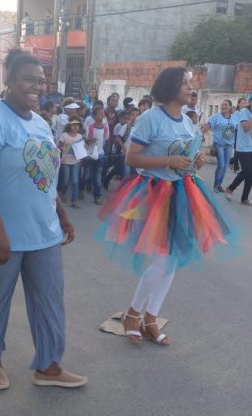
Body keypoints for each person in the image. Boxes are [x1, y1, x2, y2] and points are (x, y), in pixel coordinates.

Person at [0, 48, 86, 390]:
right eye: (29, 80)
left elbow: (46, 174)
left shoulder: (41, 123)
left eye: (41, 81)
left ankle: (49, 366)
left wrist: (62, 214)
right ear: (10, 80)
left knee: (50, 298)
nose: (37, 86)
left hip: (43, 230)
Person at [97, 67, 238, 346]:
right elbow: (131, 158)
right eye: (184, 83)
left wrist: (196, 162)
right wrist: (168, 162)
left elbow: (186, 162)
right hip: (153, 194)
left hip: (182, 192)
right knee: (163, 261)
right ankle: (133, 314)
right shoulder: (150, 119)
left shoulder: (187, 122)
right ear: (170, 87)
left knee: (171, 261)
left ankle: (150, 317)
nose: (190, 88)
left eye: (190, 83)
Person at [208, 99, 237, 192]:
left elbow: (237, 130)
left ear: (230, 107)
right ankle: (215, 186)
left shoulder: (234, 118)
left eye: (226, 105)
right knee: (221, 165)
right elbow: (208, 126)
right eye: (222, 104)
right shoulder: (216, 117)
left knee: (225, 167)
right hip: (218, 145)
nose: (223, 106)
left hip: (229, 146)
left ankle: (219, 184)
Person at [58, 116, 84, 208]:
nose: (75, 127)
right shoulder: (64, 135)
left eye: (77, 125)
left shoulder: (80, 136)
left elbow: (82, 148)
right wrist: (67, 149)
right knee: (65, 181)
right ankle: (62, 193)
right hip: (66, 161)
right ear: (69, 126)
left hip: (76, 161)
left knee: (75, 181)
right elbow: (59, 146)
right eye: (73, 125)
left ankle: (74, 200)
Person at [83, 107, 107, 205]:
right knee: (87, 175)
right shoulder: (90, 128)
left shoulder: (105, 128)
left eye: (103, 113)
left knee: (97, 176)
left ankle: (97, 196)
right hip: (90, 155)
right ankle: (80, 188)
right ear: (94, 116)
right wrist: (89, 140)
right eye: (100, 113)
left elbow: (105, 140)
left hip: (100, 155)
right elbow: (85, 141)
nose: (103, 115)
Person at [230, 97, 249, 173]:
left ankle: (231, 161)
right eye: (243, 103)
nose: (244, 104)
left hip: (244, 133)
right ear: (238, 104)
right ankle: (236, 168)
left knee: (241, 150)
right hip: (237, 132)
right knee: (237, 150)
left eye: (245, 103)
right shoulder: (236, 113)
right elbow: (235, 123)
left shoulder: (246, 112)